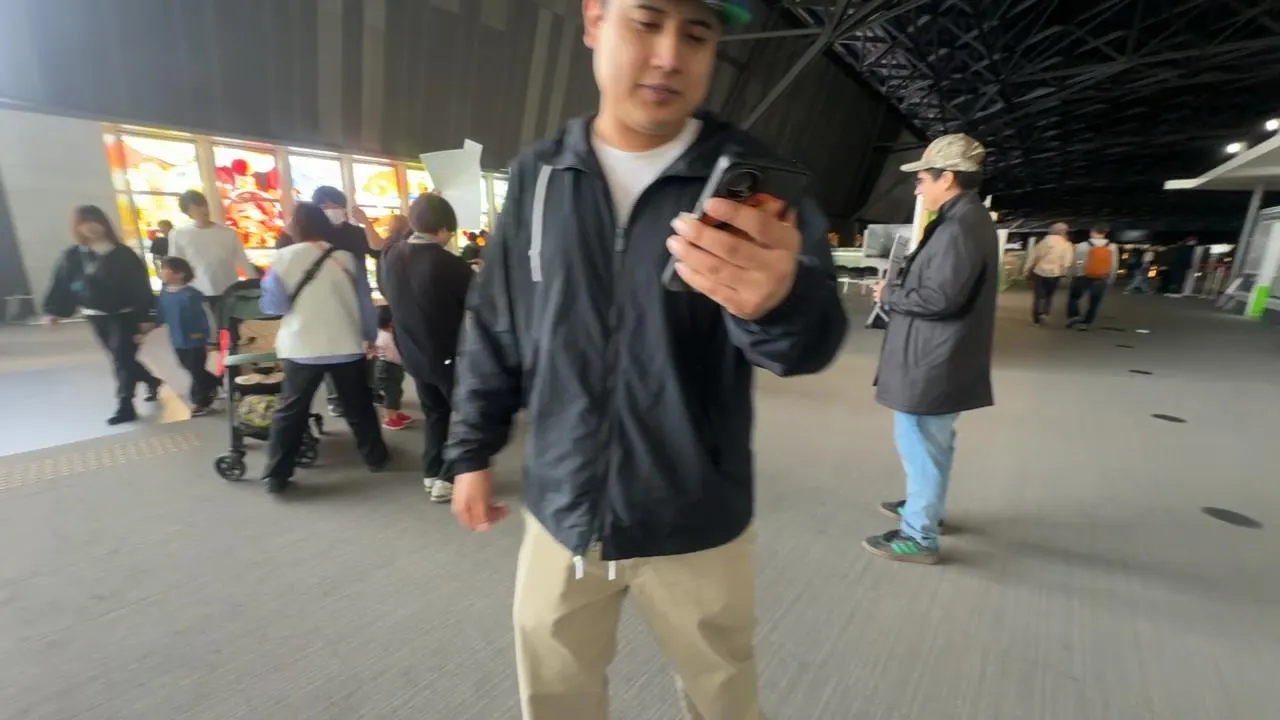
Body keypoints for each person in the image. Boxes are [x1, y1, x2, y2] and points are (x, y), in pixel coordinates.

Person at [443, 1, 846, 717]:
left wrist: (779, 303)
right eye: (647, 21)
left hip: (695, 513)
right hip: (562, 507)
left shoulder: (751, 182)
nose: (669, 55)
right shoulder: (540, 174)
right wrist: (470, 450)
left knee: (723, 700)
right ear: (594, 21)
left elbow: (812, 343)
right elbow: (496, 322)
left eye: (697, 33)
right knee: (556, 697)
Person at [867, 133, 998, 565]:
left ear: (948, 178)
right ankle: (926, 510)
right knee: (934, 441)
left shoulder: (959, 227)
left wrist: (889, 294)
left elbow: (940, 298)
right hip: (944, 355)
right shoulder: (968, 218)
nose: (917, 188)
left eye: (922, 179)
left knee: (919, 441)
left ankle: (918, 536)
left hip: (932, 357)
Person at [258, 202, 389, 495]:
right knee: (358, 405)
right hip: (345, 343)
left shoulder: (282, 258)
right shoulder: (346, 258)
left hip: (302, 346)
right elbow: (364, 303)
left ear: (295, 226)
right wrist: (369, 336)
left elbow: (274, 306)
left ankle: (277, 474)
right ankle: (375, 458)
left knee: (291, 411)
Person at [379, 193, 473, 504]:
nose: (450, 238)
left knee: (435, 412)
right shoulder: (450, 264)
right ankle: (448, 477)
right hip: (447, 351)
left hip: (412, 351)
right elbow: (478, 302)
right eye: (450, 232)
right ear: (443, 229)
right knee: (462, 414)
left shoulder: (391, 256)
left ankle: (431, 471)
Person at [43, 205, 163, 425]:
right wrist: (54, 311)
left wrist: (146, 317)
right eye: (84, 222)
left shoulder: (123, 254)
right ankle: (151, 380)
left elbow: (140, 286)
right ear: (77, 227)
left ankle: (125, 404)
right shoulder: (73, 256)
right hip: (96, 317)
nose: (91, 227)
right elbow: (62, 283)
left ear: (104, 223)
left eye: (95, 221)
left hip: (126, 315)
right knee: (122, 358)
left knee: (121, 359)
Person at [276, 187, 384, 417]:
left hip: (356, 294)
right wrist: (291, 224)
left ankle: (366, 391)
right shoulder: (313, 237)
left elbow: (378, 249)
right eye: (324, 206)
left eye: (335, 205)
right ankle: (336, 398)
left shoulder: (354, 233)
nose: (330, 210)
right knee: (334, 347)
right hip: (323, 298)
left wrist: (366, 222)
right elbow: (282, 245)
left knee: (360, 348)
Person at [167, 191, 257, 320]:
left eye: (203, 205)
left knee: (229, 325)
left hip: (227, 289)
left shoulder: (227, 233)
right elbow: (176, 264)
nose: (203, 210)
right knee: (205, 327)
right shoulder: (179, 234)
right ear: (188, 212)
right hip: (197, 291)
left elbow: (242, 260)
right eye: (195, 207)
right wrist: (176, 291)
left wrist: (255, 284)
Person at [151, 256, 219, 416]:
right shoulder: (164, 294)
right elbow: (161, 315)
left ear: (179, 274)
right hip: (177, 340)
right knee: (188, 366)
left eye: (165, 269)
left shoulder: (192, 295)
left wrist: (211, 339)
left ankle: (201, 402)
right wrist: (147, 328)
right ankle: (215, 382)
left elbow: (208, 317)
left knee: (196, 371)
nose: (161, 272)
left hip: (196, 339)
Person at [1066, 224, 1118, 330]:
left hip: (1082, 275)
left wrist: (1072, 275)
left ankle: (1074, 316)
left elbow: (1076, 262)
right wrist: (1111, 278)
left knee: (1074, 297)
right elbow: (1113, 264)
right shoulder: (1112, 247)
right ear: (1105, 233)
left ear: (1092, 232)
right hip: (1101, 277)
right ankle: (1086, 323)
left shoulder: (1082, 245)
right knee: (1094, 302)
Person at [373, 305, 413, 431]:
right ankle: (389, 418)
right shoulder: (387, 337)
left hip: (393, 366)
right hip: (386, 368)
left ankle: (395, 413)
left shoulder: (386, 333)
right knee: (391, 394)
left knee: (396, 392)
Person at [1026, 222, 1074, 325]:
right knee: (1049, 295)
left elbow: (1035, 256)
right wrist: (1064, 272)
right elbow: (1067, 261)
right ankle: (1045, 312)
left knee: (1039, 295)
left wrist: (1029, 268)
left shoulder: (1044, 241)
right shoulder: (1066, 244)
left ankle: (1037, 318)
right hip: (1055, 273)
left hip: (1040, 271)